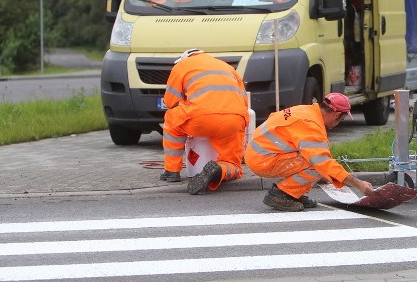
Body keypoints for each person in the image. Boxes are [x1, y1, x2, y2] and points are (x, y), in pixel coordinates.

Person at [245, 92, 375, 212]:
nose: (338, 123)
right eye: (340, 120)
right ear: (336, 115)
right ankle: (282, 194)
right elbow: (322, 162)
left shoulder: (306, 111)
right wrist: (359, 184)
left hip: (259, 154)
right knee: (316, 164)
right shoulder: (310, 125)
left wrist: (326, 175)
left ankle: (293, 194)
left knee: (317, 162)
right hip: (263, 160)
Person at [160, 48, 250, 195]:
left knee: (171, 118)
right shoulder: (227, 67)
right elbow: (244, 102)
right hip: (234, 120)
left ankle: (171, 171)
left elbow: (170, 101)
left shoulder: (181, 66)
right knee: (234, 165)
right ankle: (220, 170)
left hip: (201, 118)